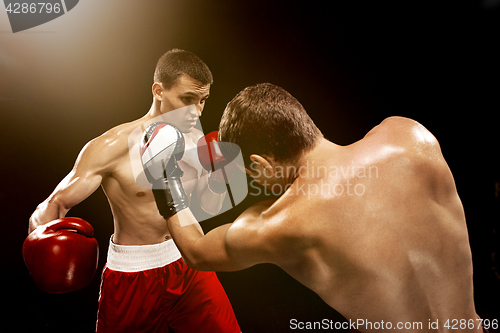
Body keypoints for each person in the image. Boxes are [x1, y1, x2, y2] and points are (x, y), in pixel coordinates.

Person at [162, 83, 485, 332]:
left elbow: (196, 251)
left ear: (260, 164)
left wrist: (164, 176)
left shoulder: (282, 223)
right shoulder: (409, 135)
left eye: (253, 174)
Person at [28, 49, 241, 333]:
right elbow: (56, 202)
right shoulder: (112, 147)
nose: (197, 112)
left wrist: (217, 179)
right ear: (158, 91)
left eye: (202, 101)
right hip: (132, 275)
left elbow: (205, 203)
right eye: (187, 100)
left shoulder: (195, 137)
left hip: (188, 263)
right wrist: (42, 237)